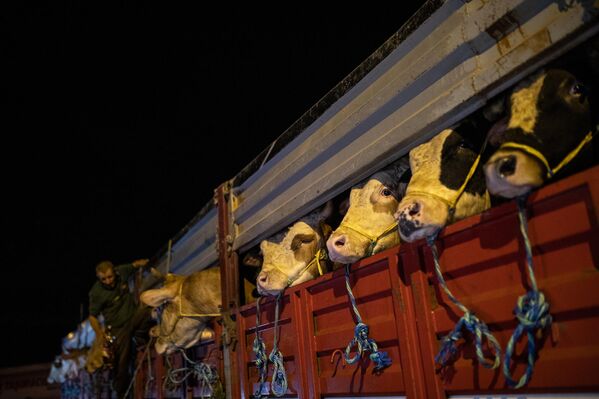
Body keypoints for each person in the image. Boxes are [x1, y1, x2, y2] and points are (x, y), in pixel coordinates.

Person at [88, 259, 154, 398]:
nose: (108, 281)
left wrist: (148, 263)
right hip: (118, 329)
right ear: (99, 278)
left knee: (148, 311)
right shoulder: (96, 293)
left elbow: (135, 265)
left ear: (115, 272)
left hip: (132, 318)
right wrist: (100, 334)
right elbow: (92, 317)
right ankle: (121, 392)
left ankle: (143, 337)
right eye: (103, 279)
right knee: (122, 360)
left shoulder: (122, 272)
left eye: (110, 277)